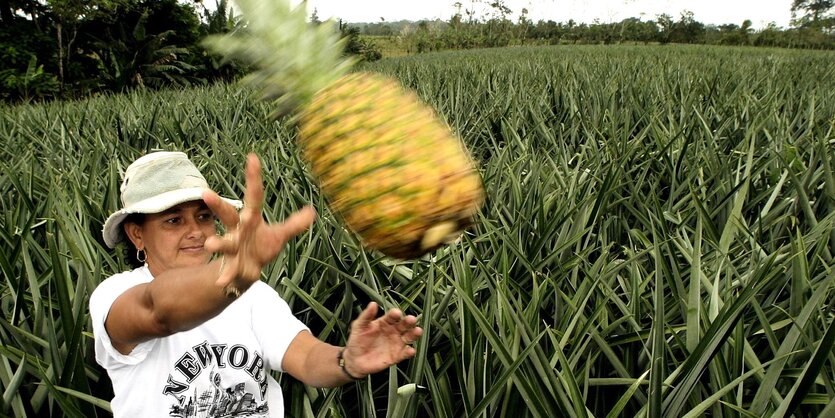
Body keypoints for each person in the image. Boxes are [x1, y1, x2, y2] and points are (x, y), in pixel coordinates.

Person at [89, 151, 423, 417]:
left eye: (203, 217)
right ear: (136, 234)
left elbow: (305, 357)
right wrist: (236, 274)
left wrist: (347, 361)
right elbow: (158, 311)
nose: (195, 231)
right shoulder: (112, 297)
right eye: (173, 220)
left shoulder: (252, 294)